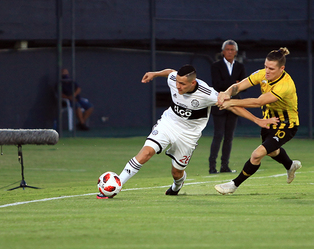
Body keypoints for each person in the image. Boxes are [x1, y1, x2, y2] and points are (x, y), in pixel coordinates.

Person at [100, 65, 271, 199]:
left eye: (182, 84)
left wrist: (257, 120)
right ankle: (117, 185)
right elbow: (170, 72)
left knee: (177, 172)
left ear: (193, 83)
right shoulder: (175, 79)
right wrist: (154, 73)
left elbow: (232, 106)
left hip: (189, 136)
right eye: (177, 82)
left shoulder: (207, 93)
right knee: (146, 152)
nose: (177, 86)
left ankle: (177, 185)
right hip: (169, 123)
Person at [214, 47, 301, 195]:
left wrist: (231, 103)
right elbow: (238, 86)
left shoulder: (285, 85)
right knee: (272, 151)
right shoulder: (263, 74)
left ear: (282, 68)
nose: (267, 71)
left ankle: (233, 185)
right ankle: (290, 165)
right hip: (268, 121)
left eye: (271, 69)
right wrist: (226, 93)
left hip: (286, 124)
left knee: (257, 154)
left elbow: (258, 102)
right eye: (266, 66)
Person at [208, 40, 247, 174]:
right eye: (228, 49)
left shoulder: (240, 67)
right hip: (219, 104)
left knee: (229, 137)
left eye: (232, 50)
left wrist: (233, 85)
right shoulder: (216, 66)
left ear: (236, 52)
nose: (230, 52)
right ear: (223, 51)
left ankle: (225, 166)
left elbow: (244, 86)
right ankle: (212, 167)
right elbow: (217, 84)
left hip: (235, 104)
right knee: (218, 135)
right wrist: (234, 84)